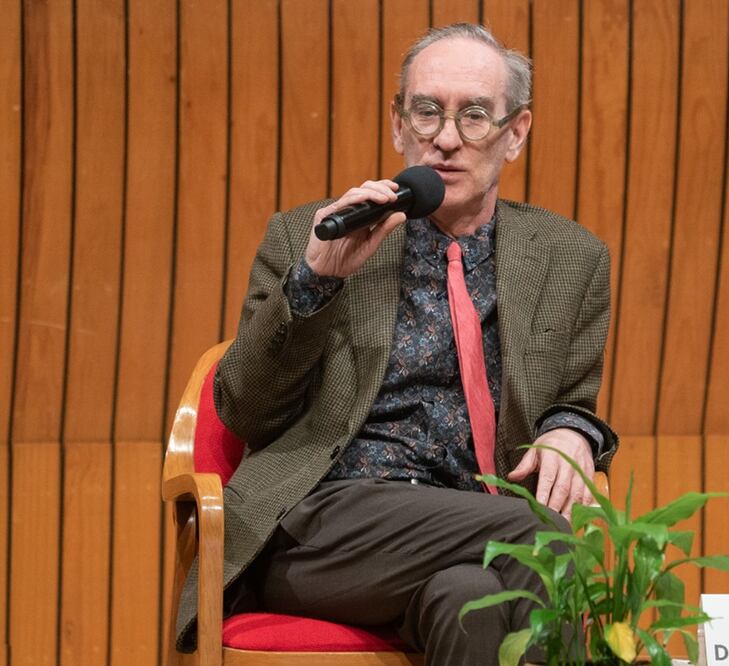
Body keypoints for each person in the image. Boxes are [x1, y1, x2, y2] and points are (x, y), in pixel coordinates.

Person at [175, 23, 617, 665]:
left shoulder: (568, 258)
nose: (445, 138)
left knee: (469, 600)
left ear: (515, 133)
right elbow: (245, 410)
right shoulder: (315, 232)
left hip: (468, 526)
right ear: (397, 123)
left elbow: (572, 396)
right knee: (539, 534)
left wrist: (574, 430)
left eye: (473, 117)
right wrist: (315, 281)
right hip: (322, 529)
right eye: (427, 111)